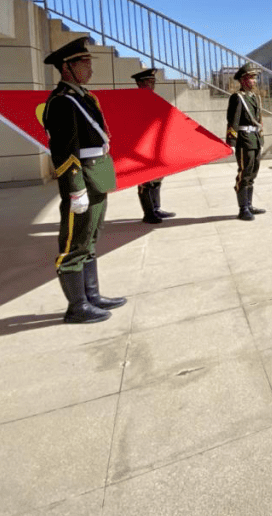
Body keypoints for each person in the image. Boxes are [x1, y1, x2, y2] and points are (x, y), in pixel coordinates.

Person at [42, 38, 126, 324]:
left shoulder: (84, 97)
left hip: (97, 174)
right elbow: (64, 152)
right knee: (74, 243)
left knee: (90, 238)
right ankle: (77, 306)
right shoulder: (62, 102)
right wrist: (75, 189)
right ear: (66, 68)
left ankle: (92, 295)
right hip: (82, 178)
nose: (90, 68)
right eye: (84, 63)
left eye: (89, 62)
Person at [132, 68, 175, 224]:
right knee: (145, 181)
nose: (152, 85)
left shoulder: (155, 99)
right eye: (149, 82)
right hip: (142, 148)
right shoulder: (134, 101)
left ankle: (156, 208)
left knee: (157, 179)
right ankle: (148, 212)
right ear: (139, 83)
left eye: (153, 82)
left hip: (155, 147)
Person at [226, 62, 266, 221]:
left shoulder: (255, 97)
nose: (254, 81)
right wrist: (231, 142)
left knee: (253, 172)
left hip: (255, 139)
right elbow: (232, 121)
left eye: (255, 78)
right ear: (243, 80)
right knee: (244, 172)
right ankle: (242, 208)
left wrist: (260, 138)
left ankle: (249, 205)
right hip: (244, 139)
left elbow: (259, 119)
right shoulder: (237, 98)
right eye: (251, 78)